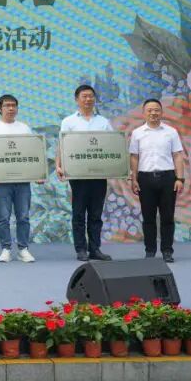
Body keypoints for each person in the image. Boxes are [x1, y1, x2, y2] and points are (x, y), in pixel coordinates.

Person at [57, 85, 113, 262]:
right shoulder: (69, 122)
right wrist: (59, 165)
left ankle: (95, 249)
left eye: (91, 96)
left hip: (99, 174)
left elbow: (112, 145)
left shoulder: (103, 122)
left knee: (96, 214)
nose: (88, 99)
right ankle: (81, 249)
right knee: (79, 213)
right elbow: (62, 145)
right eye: (84, 96)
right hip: (78, 174)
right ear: (77, 99)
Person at [129, 98, 186, 262]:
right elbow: (134, 157)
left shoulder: (171, 132)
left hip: (168, 178)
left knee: (167, 217)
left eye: (156, 110)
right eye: (150, 110)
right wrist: (134, 179)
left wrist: (180, 178)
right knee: (148, 218)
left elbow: (177, 155)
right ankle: (150, 251)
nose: (153, 113)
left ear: (161, 112)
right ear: (144, 113)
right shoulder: (137, 133)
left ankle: (167, 251)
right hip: (145, 178)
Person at [0, 94, 36, 264]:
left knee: (23, 216)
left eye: (14, 105)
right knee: (3, 216)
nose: (11, 108)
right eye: (7, 105)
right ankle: (6, 248)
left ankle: (23, 249)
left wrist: (37, 174)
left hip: (22, 181)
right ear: (0, 109)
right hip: (1, 181)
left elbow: (31, 153)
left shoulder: (25, 128)